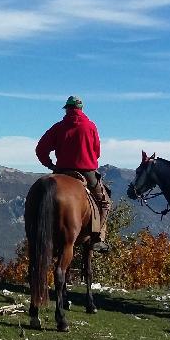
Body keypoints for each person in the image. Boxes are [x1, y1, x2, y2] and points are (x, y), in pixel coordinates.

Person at [35, 95, 111, 253]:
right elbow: (97, 151)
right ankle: (98, 238)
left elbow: (41, 149)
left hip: (62, 171)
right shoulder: (90, 126)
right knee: (105, 202)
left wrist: (51, 165)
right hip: (86, 171)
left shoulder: (58, 127)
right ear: (81, 109)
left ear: (67, 108)